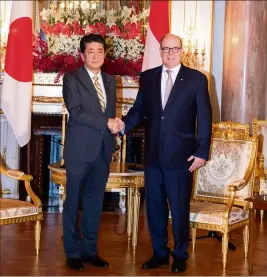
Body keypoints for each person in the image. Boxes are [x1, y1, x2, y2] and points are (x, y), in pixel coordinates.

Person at [117, 33, 212, 273]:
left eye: (175, 49)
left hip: (182, 157)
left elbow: (205, 118)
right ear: (159, 51)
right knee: (155, 207)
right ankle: (159, 253)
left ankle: (180, 254)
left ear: (182, 51)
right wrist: (123, 125)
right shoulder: (148, 78)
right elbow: (139, 111)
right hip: (153, 156)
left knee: (179, 208)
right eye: (166, 49)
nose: (170, 53)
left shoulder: (197, 80)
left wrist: (201, 151)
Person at [62, 33, 120, 271]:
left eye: (100, 51)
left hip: (102, 150)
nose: (96, 55)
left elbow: (111, 112)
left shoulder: (110, 80)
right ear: (82, 54)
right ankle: (72, 253)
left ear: (104, 54)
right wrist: (107, 122)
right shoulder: (72, 78)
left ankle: (89, 250)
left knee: (95, 202)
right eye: (91, 51)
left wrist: (116, 126)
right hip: (79, 151)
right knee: (73, 201)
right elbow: (75, 111)